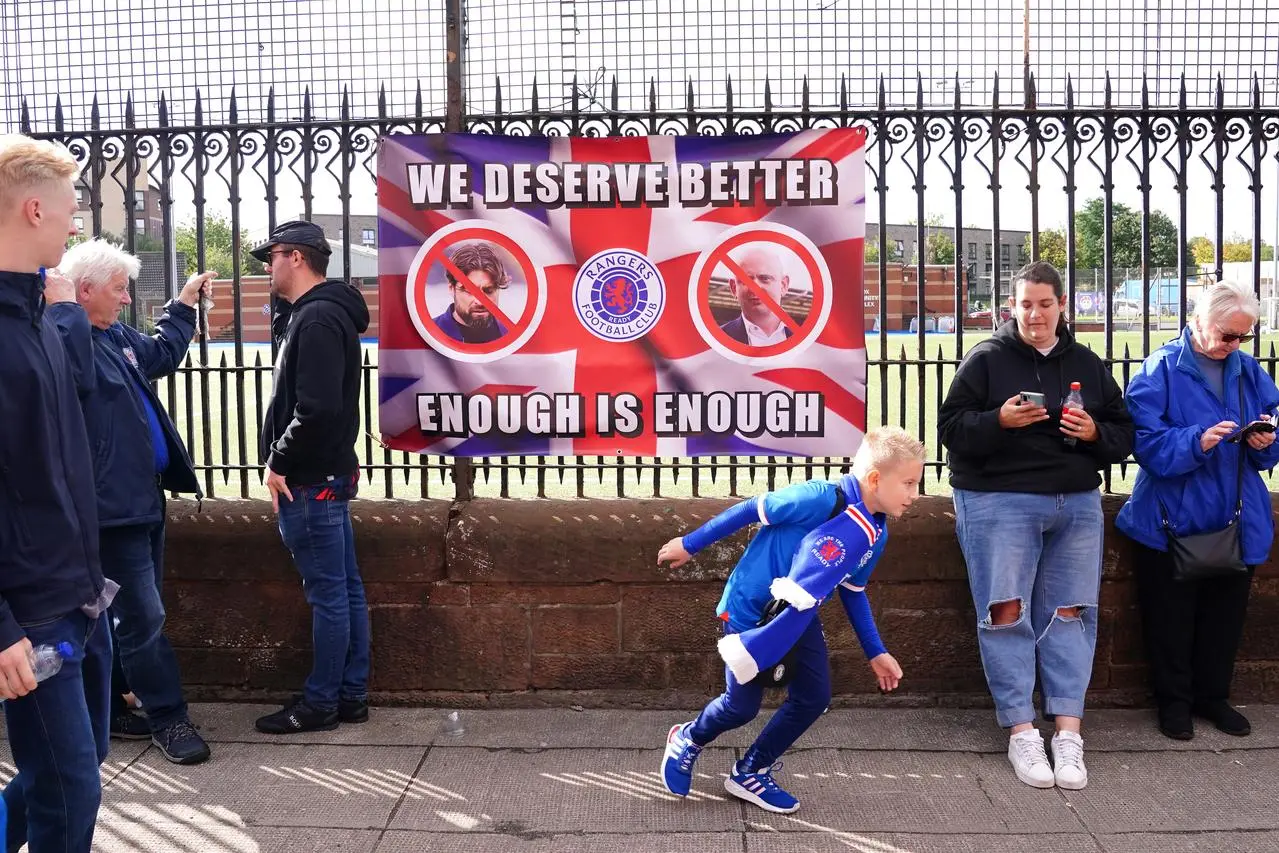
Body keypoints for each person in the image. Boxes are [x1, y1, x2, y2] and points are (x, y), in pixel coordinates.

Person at [938, 261, 1135, 791]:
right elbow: (950, 430)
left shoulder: (1089, 365)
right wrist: (998, 421)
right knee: (1005, 612)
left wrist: (1094, 430)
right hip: (999, 501)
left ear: (1062, 305)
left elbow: (1123, 436)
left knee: (1071, 612)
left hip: (1075, 503)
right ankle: (1022, 730)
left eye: (1045, 304)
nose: (1035, 315)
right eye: (1025, 305)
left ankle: (1068, 731)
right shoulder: (986, 360)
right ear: (1012, 307)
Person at [655, 427, 924, 814]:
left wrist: (875, 651)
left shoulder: (877, 530)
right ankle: (688, 738)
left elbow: (852, 591)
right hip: (750, 609)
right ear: (876, 478)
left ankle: (751, 770)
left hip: (799, 616)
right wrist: (690, 543)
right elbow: (752, 508)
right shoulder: (818, 498)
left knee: (814, 697)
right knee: (740, 707)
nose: (915, 495)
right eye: (910, 483)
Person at [50, 239, 215, 764]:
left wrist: (184, 305)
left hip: (142, 500)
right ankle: (167, 717)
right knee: (144, 616)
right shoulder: (65, 340)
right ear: (84, 291)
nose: (126, 300)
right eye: (118, 290)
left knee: (127, 615)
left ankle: (114, 704)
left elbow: (161, 353)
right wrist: (62, 311)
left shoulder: (114, 334)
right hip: (109, 509)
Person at [0, 134, 115, 852]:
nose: (76, 225)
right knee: (73, 784)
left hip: (76, 595)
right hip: (29, 613)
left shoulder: (37, 316)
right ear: (34, 207)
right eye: (72, 210)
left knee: (65, 774)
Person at [1116, 281, 1279, 740]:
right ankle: (1173, 703)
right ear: (1197, 321)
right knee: (1170, 620)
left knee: (1224, 620)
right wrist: (1198, 439)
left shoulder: (1248, 370)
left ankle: (1214, 697)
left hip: (1236, 515)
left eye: (1243, 337)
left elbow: (1273, 419)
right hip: (1170, 518)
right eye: (1227, 335)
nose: (1234, 345)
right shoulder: (1160, 368)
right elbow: (1144, 444)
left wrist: (1266, 439)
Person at [250, 220, 372, 734]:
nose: (267, 266)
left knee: (330, 595)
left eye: (272, 256)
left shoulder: (318, 318)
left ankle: (322, 702)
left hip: (309, 480)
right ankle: (350, 695)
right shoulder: (320, 313)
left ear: (296, 257)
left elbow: (316, 407)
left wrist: (278, 458)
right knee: (345, 590)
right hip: (327, 472)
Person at [433, 241, 509, 344]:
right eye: (469, 291)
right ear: (452, 288)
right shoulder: (429, 334)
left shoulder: (513, 339)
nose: (480, 302)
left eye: (488, 290)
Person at [718, 245, 795, 346]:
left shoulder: (812, 340)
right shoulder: (715, 342)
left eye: (765, 278)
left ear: (783, 285)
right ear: (734, 288)